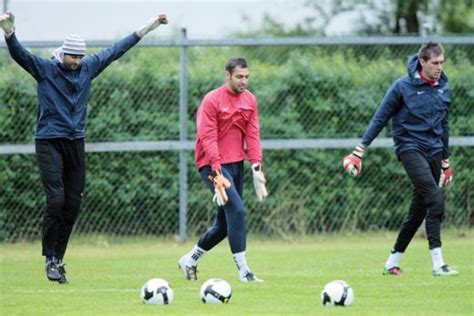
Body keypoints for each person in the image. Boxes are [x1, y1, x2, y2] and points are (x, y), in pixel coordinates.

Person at [0, 11, 168, 284]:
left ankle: (58, 259)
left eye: (80, 57)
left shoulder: (88, 67)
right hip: (49, 141)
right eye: (72, 56)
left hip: (75, 141)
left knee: (73, 203)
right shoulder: (46, 69)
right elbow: (21, 56)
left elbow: (117, 50)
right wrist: (9, 33)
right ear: (62, 54)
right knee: (56, 199)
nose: (77, 62)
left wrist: (149, 26)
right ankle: (49, 259)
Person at [343, 42, 458, 277]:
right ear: (422, 62)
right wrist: (359, 150)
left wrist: (445, 162)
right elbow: (380, 118)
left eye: (442, 63)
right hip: (410, 149)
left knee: (418, 211)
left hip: (435, 152)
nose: (439, 67)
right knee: (435, 198)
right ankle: (438, 264)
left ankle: (391, 262)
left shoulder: (444, 89)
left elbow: (444, 126)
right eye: (435, 63)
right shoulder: (402, 86)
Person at [179, 57, 268, 283]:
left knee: (224, 226)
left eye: (247, 77)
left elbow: (253, 135)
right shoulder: (212, 100)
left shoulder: (250, 100)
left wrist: (256, 167)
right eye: (239, 77)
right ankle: (244, 271)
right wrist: (217, 173)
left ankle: (189, 260)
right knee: (237, 211)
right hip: (211, 164)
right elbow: (208, 137)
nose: (244, 81)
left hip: (235, 163)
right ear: (227, 75)